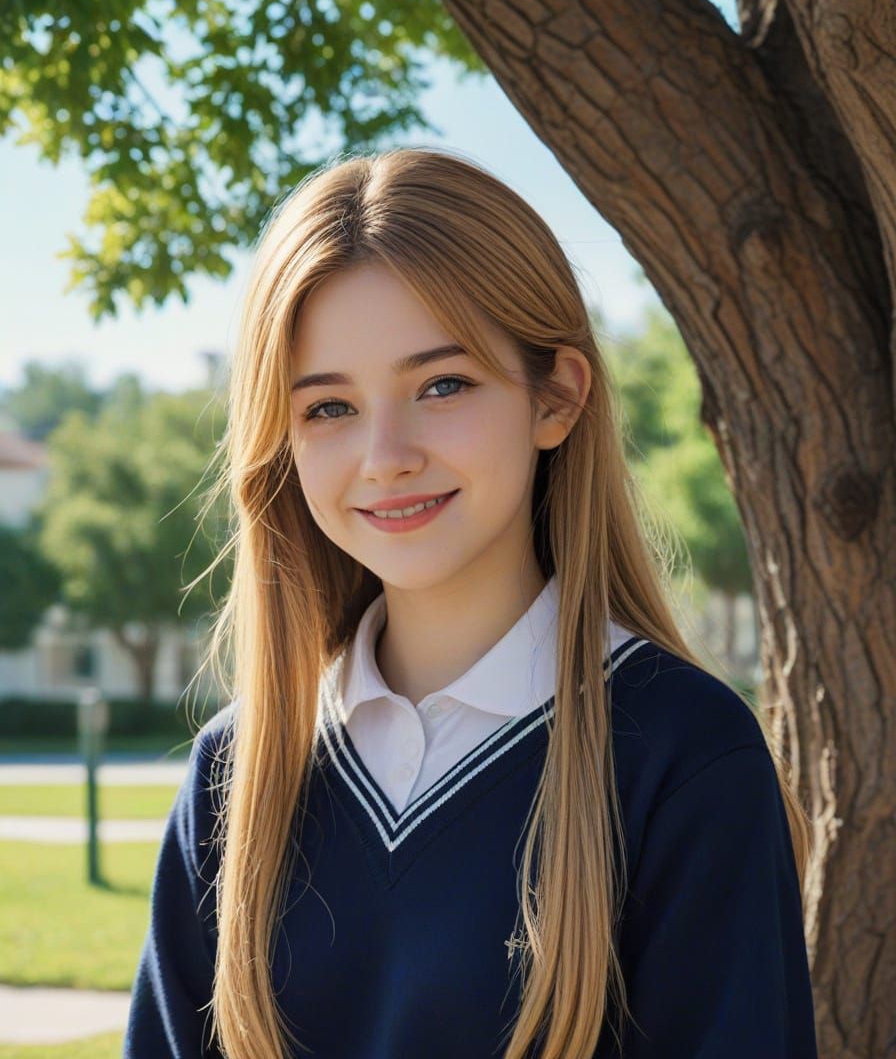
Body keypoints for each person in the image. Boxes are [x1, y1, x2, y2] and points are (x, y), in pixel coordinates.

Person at [124, 147, 819, 1059]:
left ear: (557, 396)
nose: (386, 454)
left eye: (441, 385)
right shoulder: (237, 775)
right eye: (327, 408)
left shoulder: (686, 759)